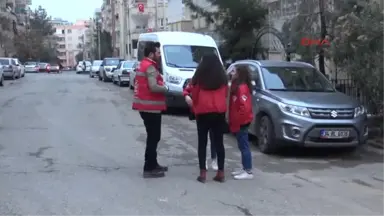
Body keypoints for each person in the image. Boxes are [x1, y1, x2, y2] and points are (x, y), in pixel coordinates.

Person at [184, 54, 228, 183]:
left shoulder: (199, 78)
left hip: (203, 112)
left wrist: (192, 104)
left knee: (202, 143)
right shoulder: (222, 78)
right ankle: (221, 172)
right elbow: (225, 94)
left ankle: (203, 173)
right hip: (219, 112)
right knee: (219, 143)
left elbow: (194, 95)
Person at [132, 41, 169, 178]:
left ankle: (153, 163)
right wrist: (166, 88)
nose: (160, 55)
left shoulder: (144, 64)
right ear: (152, 54)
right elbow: (153, 87)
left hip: (145, 106)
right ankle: (149, 167)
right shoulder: (150, 67)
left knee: (153, 137)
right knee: (154, 137)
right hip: (150, 108)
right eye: (158, 53)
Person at [183, 82, 218, 171]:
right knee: (202, 139)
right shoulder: (197, 78)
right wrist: (186, 95)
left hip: (214, 111)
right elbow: (187, 89)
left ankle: (214, 160)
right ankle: (203, 161)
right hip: (201, 112)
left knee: (214, 137)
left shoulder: (217, 78)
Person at [228, 65, 254, 180]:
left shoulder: (242, 88)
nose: (231, 73)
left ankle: (248, 171)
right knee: (241, 145)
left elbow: (244, 108)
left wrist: (239, 121)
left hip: (242, 121)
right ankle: (244, 168)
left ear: (239, 74)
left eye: (233, 72)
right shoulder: (236, 86)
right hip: (238, 121)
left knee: (244, 146)